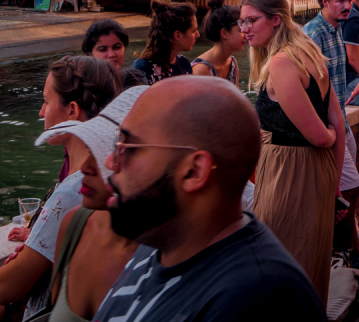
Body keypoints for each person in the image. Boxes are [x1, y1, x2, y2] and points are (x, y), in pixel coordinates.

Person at [93, 77, 327, 322]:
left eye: (127, 146)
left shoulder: (257, 300)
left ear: (194, 171)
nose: (111, 161)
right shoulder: (161, 242)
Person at [242, 0, 346, 305]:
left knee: (278, 261)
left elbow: (323, 133)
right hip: (316, 171)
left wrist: (325, 139)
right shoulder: (310, 53)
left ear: (275, 20)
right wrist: (334, 184)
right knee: (307, 260)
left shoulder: (282, 62)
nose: (244, 29)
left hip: (289, 171)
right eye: (241, 23)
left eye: (251, 21)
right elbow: (339, 122)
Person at [0, 56, 121, 320]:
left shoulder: (76, 189)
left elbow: (7, 287)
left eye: (46, 101)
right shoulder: (104, 175)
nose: (42, 112)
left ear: (72, 111)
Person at [32, 87, 147, 322]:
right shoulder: (75, 225)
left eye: (108, 153)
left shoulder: (165, 254)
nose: (86, 167)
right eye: (89, 149)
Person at [303, 0, 359, 252]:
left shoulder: (338, 28)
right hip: (327, 127)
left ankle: (349, 243)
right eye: (340, 0)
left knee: (351, 187)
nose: (347, 6)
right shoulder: (313, 35)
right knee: (346, 188)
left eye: (349, 1)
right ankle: (340, 246)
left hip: (342, 123)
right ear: (325, 1)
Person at [131, 0, 197, 83]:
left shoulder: (184, 63)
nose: (197, 35)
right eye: (193, 31)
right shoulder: (142, 69)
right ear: (178, 35)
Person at [191, 0, 243, 84]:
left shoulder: (232, 62)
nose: (246, 33)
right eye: (240, 30)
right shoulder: (201, 69)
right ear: (224, 33)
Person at [82, 19, 148, 87]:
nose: (111, 55)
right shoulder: (81, 85)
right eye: (103, 49)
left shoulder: (135, 81)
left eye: (117, 47)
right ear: (90, 54)